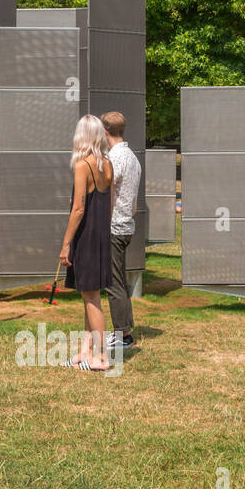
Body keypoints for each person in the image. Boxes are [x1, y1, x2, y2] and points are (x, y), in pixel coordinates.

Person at [59, 114, 113, 370]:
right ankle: (85, 351)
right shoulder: (107, 165)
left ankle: (100, 357)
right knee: (88, 295)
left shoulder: (82, 165)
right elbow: (107, 204)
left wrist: (66, 244)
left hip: (87, 238)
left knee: (92, 298)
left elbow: (78, 209)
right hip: (102, 235)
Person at [101, 111, 141, 351]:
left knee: (113, 282)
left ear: (105, 131)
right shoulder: (133, 158)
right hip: (127, 224)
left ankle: (123, 335)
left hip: (114, 226)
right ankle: (124, 328)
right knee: (119, 280)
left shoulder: (114, 158)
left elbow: (108, 194)